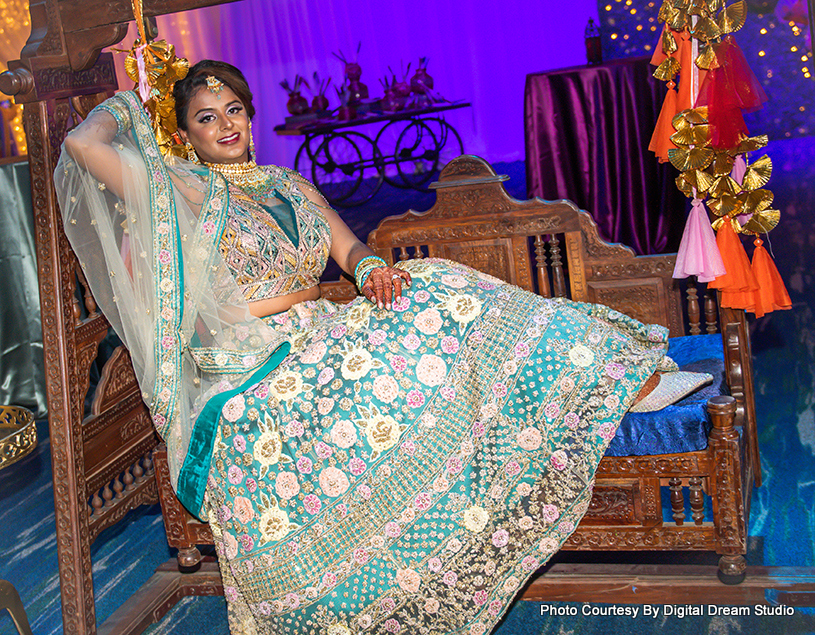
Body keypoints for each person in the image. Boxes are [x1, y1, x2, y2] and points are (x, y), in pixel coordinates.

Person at [56, 60, 704, 635]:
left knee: (427, 280)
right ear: (185, 136)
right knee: (422, 319)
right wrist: (126, 102)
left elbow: (349, 246)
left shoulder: (288, 185)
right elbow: (86, 151)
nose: (223, 124)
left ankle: (620, 372)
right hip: (252, 375)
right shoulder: (180, 196)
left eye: (232, 109)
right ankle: (617, 381)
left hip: (321, 335)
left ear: (250, 116)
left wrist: (368, 270)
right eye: (204, 117)